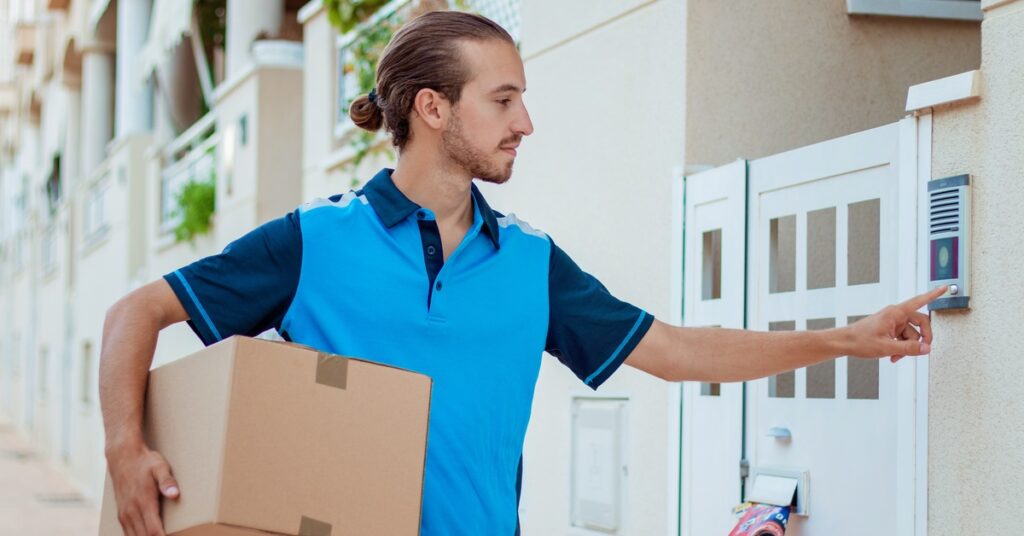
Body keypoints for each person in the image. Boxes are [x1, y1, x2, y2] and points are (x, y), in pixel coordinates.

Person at [99, 10, 944, 536]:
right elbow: (135, 313)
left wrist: (847, 339)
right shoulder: (315, 242)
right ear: (434, 108)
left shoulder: (531, 263)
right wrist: (125, 450)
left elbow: (678, 351)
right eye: (503, 100)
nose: (526, 122)